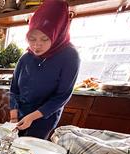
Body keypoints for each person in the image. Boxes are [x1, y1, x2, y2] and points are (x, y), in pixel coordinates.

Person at [9, 0, 80, 139]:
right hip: (19, 114)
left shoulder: (70, 56)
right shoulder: (26, 58)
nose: (36, 46)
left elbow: (62, 96)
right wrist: (13, 117)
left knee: (31, 151)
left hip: (43, 119)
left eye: (45, 39)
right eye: (32, 39)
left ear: (57, 34)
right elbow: (14, 90)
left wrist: (32, 117)